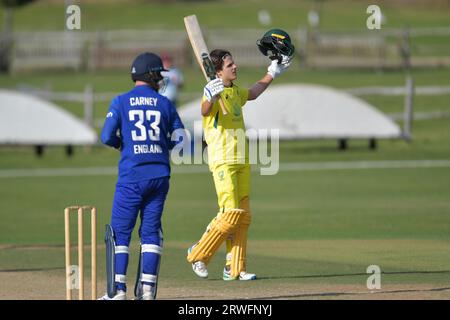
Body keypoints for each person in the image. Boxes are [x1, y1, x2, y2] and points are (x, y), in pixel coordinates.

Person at [186, 29, 294, 281]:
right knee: (229, 214)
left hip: (242, 159)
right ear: (218, 71)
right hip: (222, 160)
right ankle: (198, 253)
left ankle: (235, 268)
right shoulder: (210, 91)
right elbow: (204, 111)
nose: (235, 66)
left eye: (233, 62)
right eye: (229, 64)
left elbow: (253, 93)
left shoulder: (234, 92)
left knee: (243, 216)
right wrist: (211, 95)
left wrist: (272, 72)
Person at [99, 52, 184, 300]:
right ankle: (147, 291)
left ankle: (117, 292)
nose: (160, 78)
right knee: (150, 233)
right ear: (151, 75)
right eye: (159, 74)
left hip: (132, 176)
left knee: (120, 233)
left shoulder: (121, 101)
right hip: (159, 176)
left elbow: (106, 137)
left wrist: (120, 143)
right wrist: (160, 144)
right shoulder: (166, 103)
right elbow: (180, 139)